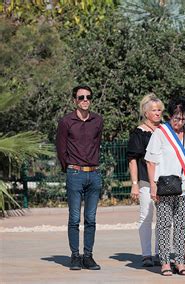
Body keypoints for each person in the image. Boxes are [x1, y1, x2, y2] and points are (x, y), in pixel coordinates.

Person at [145, 97, 185, 276]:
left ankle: (179, 261)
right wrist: (153, 188)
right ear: (169, 116)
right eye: (176, 118)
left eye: (183, 119)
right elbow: (150, 162)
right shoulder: (160, 133)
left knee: (181, 225)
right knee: (163, 225)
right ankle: (164, 262)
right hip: (165, 187)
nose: (179, 122)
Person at [56, 84, 104, 270]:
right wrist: (68, 169)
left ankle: (88, 256)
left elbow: (97, 144)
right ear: (74, 100)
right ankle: (75, 256)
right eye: (81, 97)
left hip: (94, 174)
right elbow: (61, 148)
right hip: (74, 173)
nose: (85, 100)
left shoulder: (98, 121)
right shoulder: (66, 122)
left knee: (91, 219)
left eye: (88, 97)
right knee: (74, 218)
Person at [127, 94, 164, 267]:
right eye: (154, 110)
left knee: (164, 217)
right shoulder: (138, 133)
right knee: (146, 216)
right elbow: (133, 159)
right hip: (145, 181)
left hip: (165, 181)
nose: (158, 113)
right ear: (146, 113)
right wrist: (135, 184)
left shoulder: (165, 131)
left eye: (160, 110)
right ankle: (146, 254)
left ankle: (160, 253)